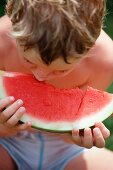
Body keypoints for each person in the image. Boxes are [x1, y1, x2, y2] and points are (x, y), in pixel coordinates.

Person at [0, 0, 113, 169]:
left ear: (90, 47)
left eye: (61, 70)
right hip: (7, 143)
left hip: (66, 149)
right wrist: (3, 127)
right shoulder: (1, 42)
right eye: (29, 61)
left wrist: (80, 135)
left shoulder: (104, 61)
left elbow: (68, 130)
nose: (40, 76)